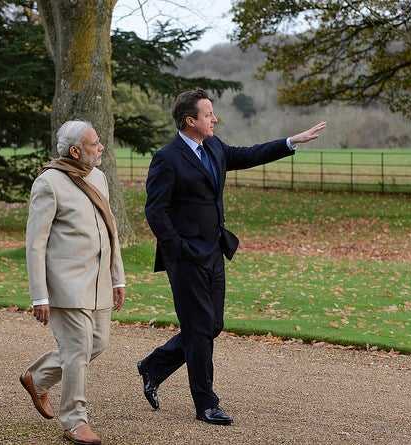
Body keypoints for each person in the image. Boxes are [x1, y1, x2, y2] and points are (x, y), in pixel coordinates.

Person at [136, 89, 327, 425]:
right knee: (197, 330)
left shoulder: (214, 146)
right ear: (190, 120)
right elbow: (156, 211)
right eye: (209, 114)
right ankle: (206, 403)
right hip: (186, 258)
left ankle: (154, 365)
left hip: (214, 250)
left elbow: (249, 154)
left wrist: (290, 142)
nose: (215, 119)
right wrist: (178, 249)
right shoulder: (167, 158)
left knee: (212, 325)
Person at [19, 120, 126, 445]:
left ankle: (36, 377)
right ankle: (75, 421)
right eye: (95, 144)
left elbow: (111, 231)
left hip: (99, 282)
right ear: (75, 151)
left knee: (97, 344)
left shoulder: (99, 177)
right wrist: (40, 296)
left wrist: (117, 277)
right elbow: (35, 243)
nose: (101, 148)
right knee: (78, 349)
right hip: (66, 284)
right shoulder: (48, 183)